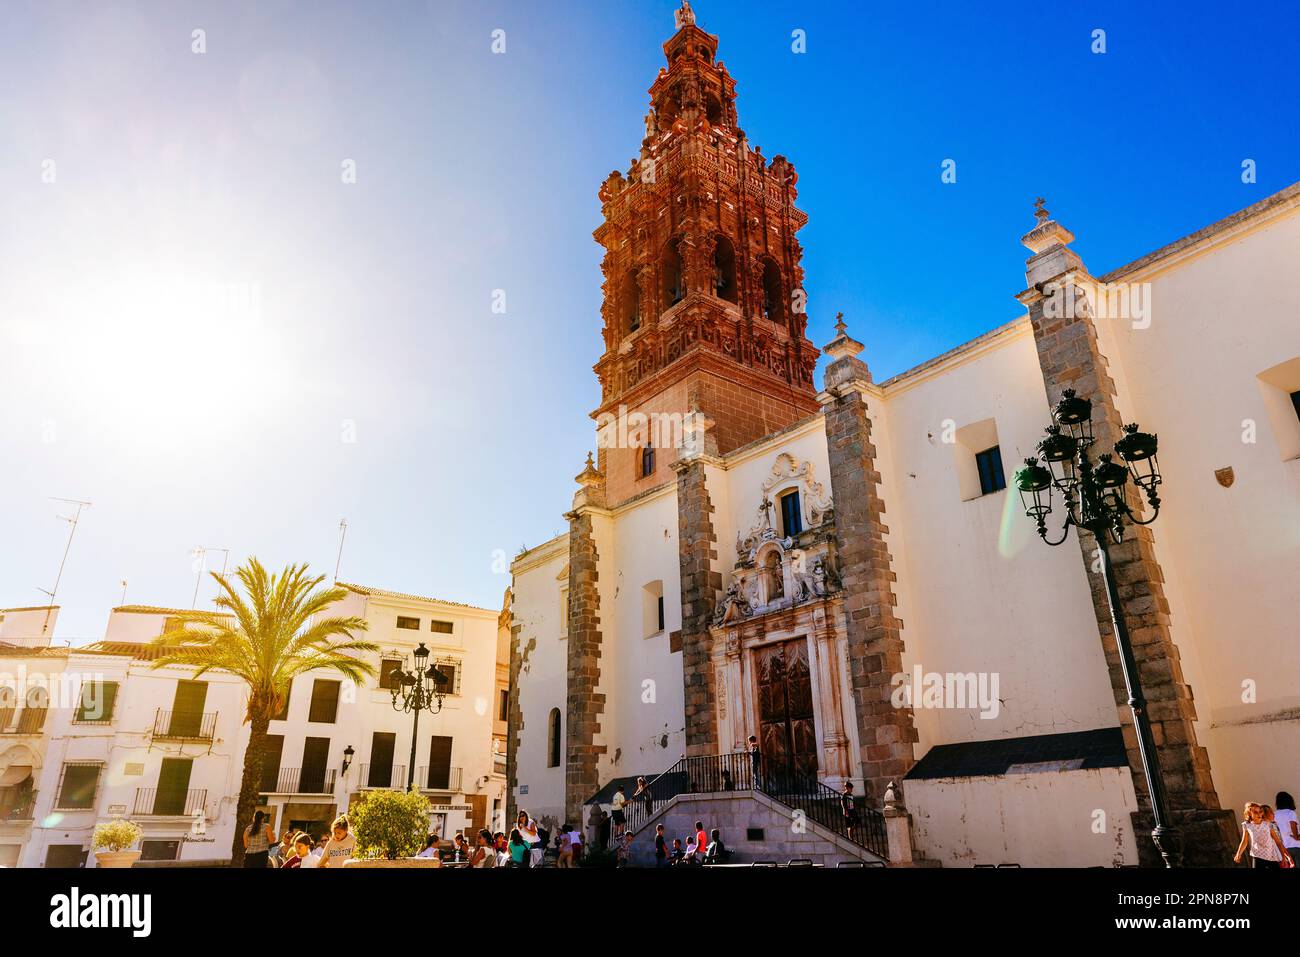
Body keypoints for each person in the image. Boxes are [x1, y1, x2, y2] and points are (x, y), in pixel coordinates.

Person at [1235, 802, 1289, 868]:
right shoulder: (1247, 825)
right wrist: (1238, 854)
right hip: (1257, 856)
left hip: (1271, 856)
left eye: (1260, 812)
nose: (1259, 814)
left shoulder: (1268, 824)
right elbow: (1244, 841)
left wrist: (1283, 858)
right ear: (1249, 813)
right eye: (1255, 812)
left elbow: (1278, 842)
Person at [1274, 792, 1300, 866]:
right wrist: (1296, 836)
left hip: (1283, 848)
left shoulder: (1274, 814)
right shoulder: (1291, 813)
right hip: (1296, 845)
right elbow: (1293, 824)